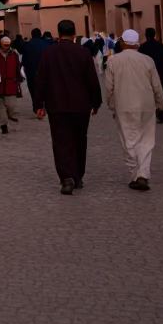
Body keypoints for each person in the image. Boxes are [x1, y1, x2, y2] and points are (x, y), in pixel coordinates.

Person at [32, 20, 102, 195]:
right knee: (79, 140)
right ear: (74, 34)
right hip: (81, 106)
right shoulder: (83, 53)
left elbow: (40, 80)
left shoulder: (49, 53)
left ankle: (66, 177)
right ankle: (77, 176)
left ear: (58, 33)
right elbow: (92, 80)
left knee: (61, 141)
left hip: (57, 106)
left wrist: (38, 104)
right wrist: (96, 102)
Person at [106, 29, 163, 192]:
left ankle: (134, 174)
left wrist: (111, 105)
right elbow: (156, 85)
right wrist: (161, 103)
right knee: (146, 140)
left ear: (124, 42)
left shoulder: (113, 61)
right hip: (146, 105)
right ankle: (143, 174)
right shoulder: (147, 60)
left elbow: (109, 87)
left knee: (129, 140)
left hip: (124, 105)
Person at [138, 28, 163, 123]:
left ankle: (152, 114)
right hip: (162, 76)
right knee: (161, 95)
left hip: (147, 77)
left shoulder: (142, 48)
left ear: (146, 36)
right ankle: (161, 115)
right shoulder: (162, 47)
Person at [0, 36, 22, 135]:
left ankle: (10, 116)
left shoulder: (14, 54)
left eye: (8, 45)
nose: (6, 47)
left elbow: (18, 67)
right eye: (5, 45)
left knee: (11, 106)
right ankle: (3, 125)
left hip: (11, 84)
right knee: (0, 107)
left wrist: (18, 79)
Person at [21, 27, 48, 101]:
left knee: (33, 90)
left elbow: (24, 61)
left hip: (31, 72)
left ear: (32, 35)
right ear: (40, 34)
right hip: (44, 72)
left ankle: (36, 105)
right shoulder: (46, 44)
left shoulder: (27, 45)